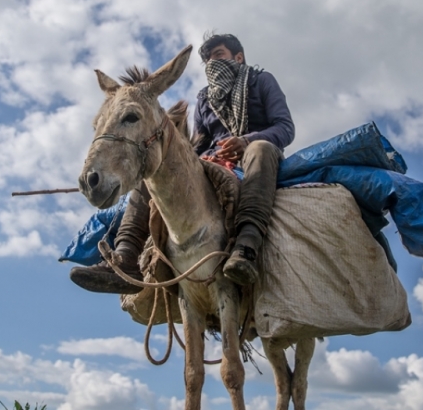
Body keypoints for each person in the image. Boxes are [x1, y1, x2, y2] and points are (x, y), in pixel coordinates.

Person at [70, 33, 295, 294]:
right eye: (208, 59)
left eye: (218, 55)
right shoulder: (205, 98)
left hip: (256, 158)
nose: (212, 62)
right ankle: (126, 258)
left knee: (261, 149)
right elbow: (200, 142)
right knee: (153, 169)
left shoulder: (261, 81)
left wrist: (246, 141)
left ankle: (246, 246)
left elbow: (285, 128)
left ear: (239, 57)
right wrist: (199, 158)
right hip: (216, 161)